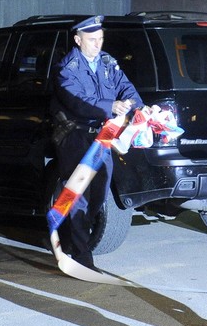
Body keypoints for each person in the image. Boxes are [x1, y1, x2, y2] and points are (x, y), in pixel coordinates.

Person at [51, 15, 143, 270]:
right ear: (78, 40)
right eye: (92, 39)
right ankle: (81, 256)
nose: (97, 44)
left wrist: (137, 107)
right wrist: (110, 106)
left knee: (99, 195)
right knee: (78, 196)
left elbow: (126, 87)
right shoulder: (67, 69)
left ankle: (69, 237)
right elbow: (78, 101)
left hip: (103, 137)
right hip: (76, 138)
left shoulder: (107, 62)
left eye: (100, 39)